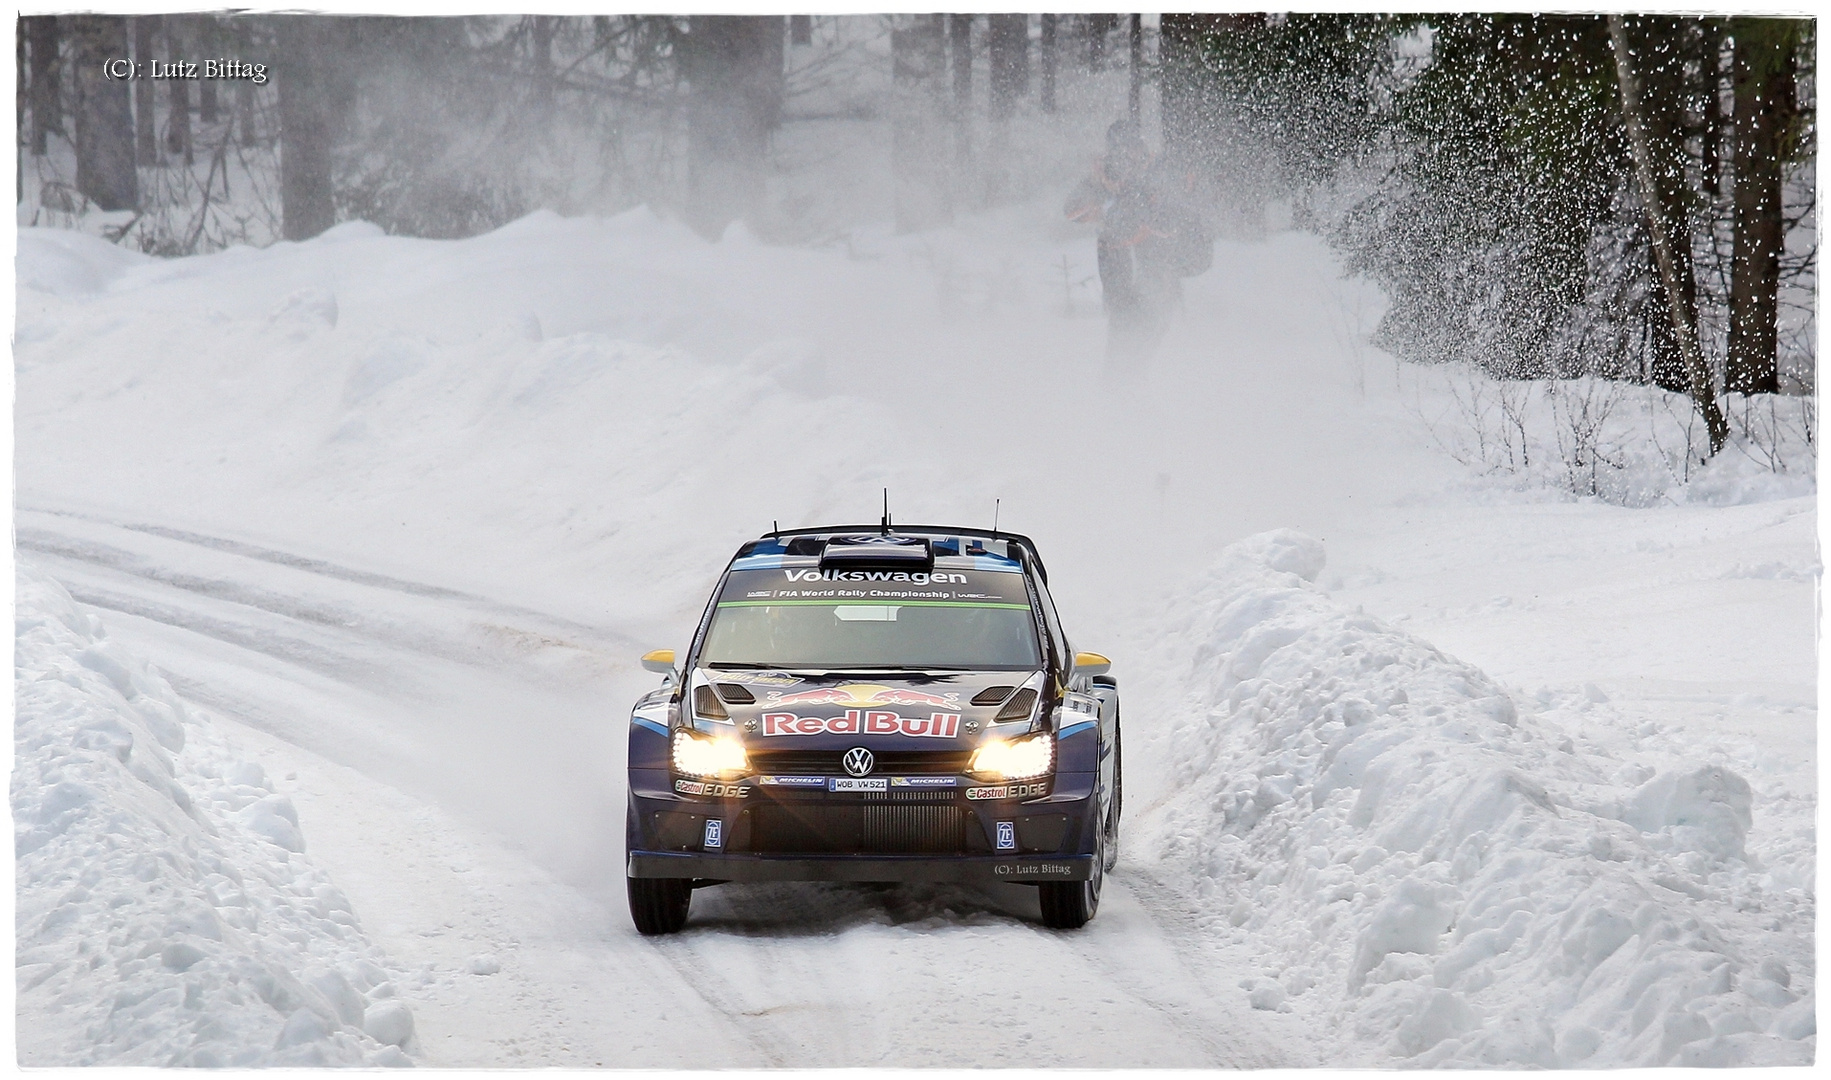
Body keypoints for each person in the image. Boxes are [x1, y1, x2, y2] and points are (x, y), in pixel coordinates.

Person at [1065, 120, 1209, 362]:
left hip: (1156, 276)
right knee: (1123, 348)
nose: (1127, 157)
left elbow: (1179, 208)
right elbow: (1072, 211)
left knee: (1145, 346)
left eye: (1131, 149)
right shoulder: (1107, 176)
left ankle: (1134, 391)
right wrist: (1099, 186)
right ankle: (1123, 393)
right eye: (1120, 151)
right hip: (1119, 278)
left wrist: (1144, 201)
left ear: (1141, 146)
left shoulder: (1160, 171)